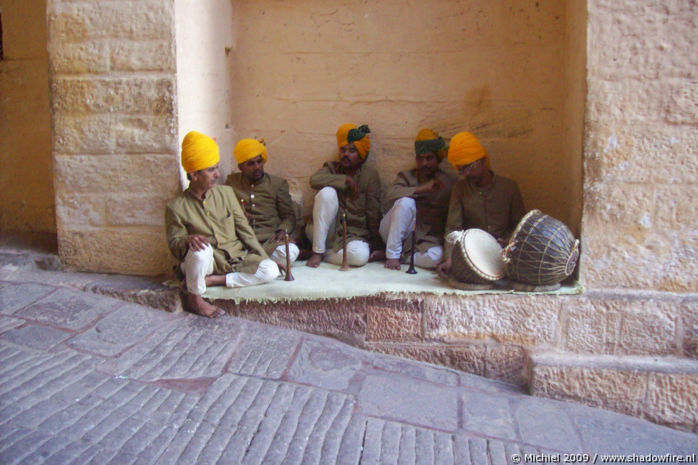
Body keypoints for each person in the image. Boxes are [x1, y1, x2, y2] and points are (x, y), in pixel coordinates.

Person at [165, 131, 279, 318]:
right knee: (200, 249)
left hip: (234, 259)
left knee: (270, 270)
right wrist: (187, 240)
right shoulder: (176, 207)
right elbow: (174, 246)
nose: (217, 174)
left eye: (216, 168)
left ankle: (213, 281)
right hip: (206, 261)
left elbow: (245, 232)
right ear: (194, 174)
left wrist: (263, 256)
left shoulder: (226, 193)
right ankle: (195, 299)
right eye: (211, 170)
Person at [436, 131, 525, 277]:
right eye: (460, 170)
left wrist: (508, 242)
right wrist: (450, 259)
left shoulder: (509, 187)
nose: (464, 174)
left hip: (506, 252)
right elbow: (453, 228)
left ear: (481, 161)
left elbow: (520, 225)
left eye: (466, 168)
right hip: (473, 255)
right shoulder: (460, 189)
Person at [305, 123, 382, 268]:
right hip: (326, 233)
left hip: (353, 235)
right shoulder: (331, 168)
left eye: (351, 150)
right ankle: (317, 251)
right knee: (327, 193)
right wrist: (344, 180)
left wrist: (376, 243)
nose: (345, 154)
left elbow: (373, 211)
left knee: (359, 257)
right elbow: (314, 180)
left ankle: (324, 254)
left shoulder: (369, 175)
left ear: (360, 156)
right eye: (343, 150)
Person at [379, 129, 457, 270]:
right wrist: (421, 188)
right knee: (405, 202)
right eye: (420, 159)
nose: (424, 163)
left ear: (439, 159)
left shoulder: (449, 182)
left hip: (425, 239)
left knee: (437, 257)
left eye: (429, 158)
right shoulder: (407, 176)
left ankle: (401, 257)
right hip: (396, 233)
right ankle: (392, 256)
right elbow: (390, 194)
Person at [226, 138, 299, 268]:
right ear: (241, 167)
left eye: (259, 162)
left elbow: (289, 216)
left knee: (290, 252)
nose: (257, 167)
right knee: (226, 255)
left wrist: (283, 230)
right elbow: (224, 211)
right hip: (242, 241)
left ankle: (255, 265)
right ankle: (263, 266)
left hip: (269, 241)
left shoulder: (277, 184)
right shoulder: (232, 183)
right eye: (251, 164)